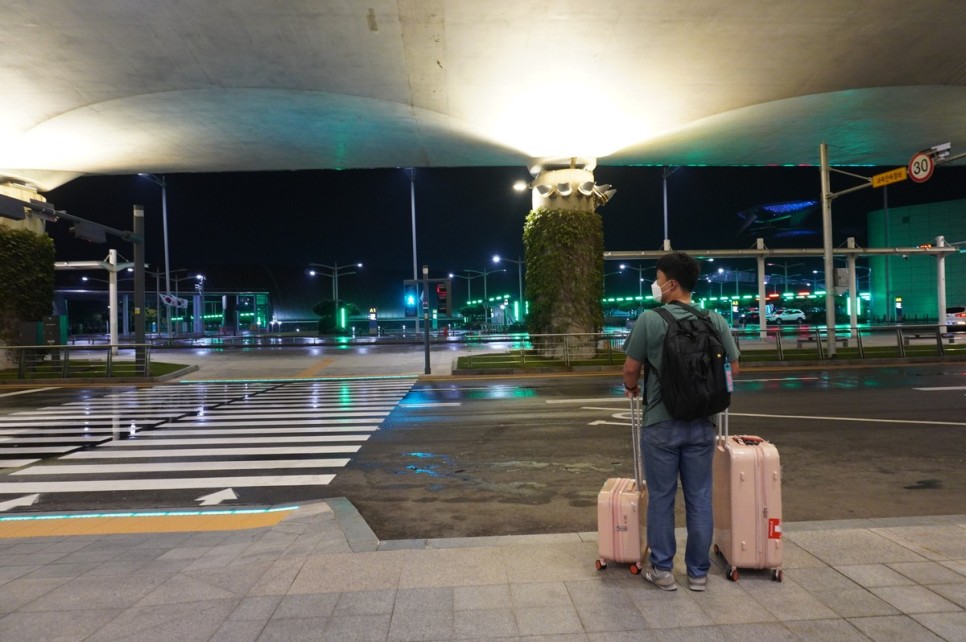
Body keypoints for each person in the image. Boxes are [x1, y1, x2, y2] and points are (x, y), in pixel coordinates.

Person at [621, 251, 740, 592]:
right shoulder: (714, 319)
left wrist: (631, 388)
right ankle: (699, 573)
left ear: (671, 284)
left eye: (658, 280)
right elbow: (733, 368)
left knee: (661, 497)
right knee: (700, 496)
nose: (655, 286)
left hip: (661, 422)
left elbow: (631, 369)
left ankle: (662, 571)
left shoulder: (650, 319)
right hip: (702, 423)